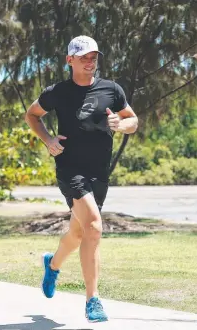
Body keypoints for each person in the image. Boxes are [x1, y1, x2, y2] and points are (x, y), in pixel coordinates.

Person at [24, 35, 138, 322]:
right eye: (84, 57)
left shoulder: (112, 90)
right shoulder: (58, 92)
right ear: (70, 60)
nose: (90, 62)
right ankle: (93, 300)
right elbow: (32, 115)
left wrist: (121, 125)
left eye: (94, 57)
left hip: (99, 172)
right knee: (95, 227)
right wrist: (48, 139)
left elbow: (132, 120)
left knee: (78, 233)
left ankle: (52, 265)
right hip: (70, 168)